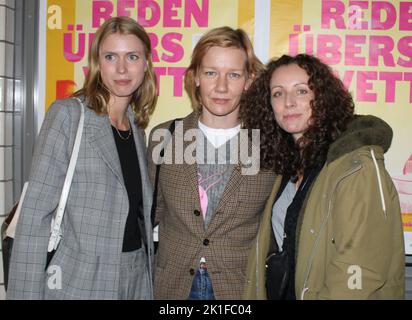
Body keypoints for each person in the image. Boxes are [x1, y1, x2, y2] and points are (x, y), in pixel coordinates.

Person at [7, 16, 157, 300]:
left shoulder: (136, 128)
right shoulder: (68, 115)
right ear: (97, 64)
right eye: (111, 56)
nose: (122, 68)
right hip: (79, 281)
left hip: (136, 279)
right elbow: (34, 216)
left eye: (132, 56)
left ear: (146, 63)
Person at [241, 53, 405, 300]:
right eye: (278, 93)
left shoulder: (355, 167)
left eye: (301, 91)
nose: (289, 102)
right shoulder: (287, 167)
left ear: (322, 97)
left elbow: (360, 271)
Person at [147, 26, 276, 300]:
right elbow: (147, 215)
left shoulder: (269, 145)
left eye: (233, 74)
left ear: (249, 80)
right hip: (172, 287)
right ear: (195, 77)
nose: (221, 87)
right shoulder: (165, 138)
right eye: (210, 73)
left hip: (239, 288)